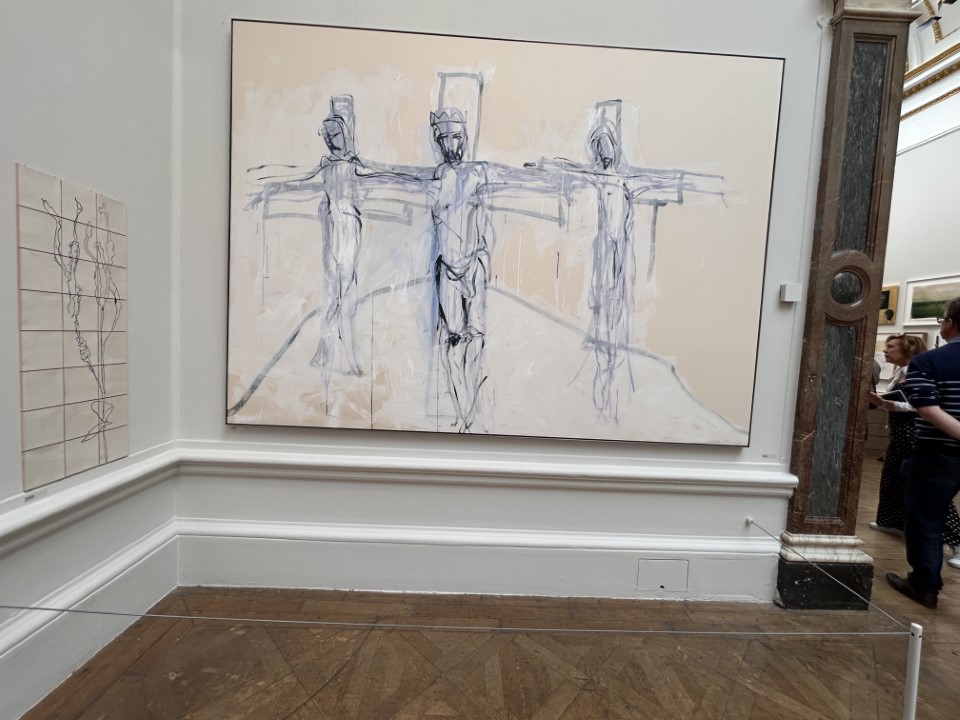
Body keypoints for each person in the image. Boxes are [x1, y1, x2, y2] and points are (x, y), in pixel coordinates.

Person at [886, 297, 960, 608]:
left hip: (938, 453)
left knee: (926, 518)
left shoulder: (929, 361)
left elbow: (928, 409)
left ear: (950, 323)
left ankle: (924, 584)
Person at [868, 334, 960, 570]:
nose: (886, 350)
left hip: (912, 432)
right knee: (892, 477)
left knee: (929, 493)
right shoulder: (901, 371)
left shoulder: (917, 369)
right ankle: (892, 521)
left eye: (891, 347)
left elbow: (923, 406)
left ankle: (956, 542)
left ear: (907, 350)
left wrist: (894, 405)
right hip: (900, 433)